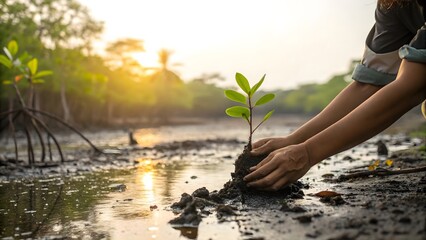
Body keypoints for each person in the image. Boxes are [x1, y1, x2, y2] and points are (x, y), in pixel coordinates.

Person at [244, 0, 426, 191]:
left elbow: (413, 85)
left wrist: (308, 152)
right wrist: (294, 140)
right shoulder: (393, 5)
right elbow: (369, 84)